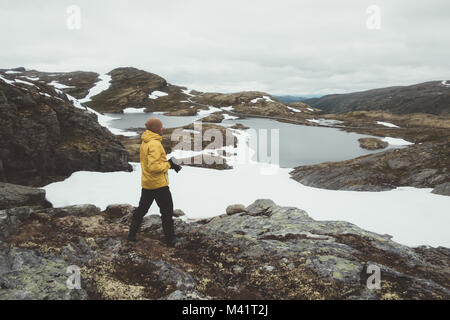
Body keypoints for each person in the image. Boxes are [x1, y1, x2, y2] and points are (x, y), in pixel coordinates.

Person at [128, 118, 182, 247]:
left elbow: (150, 164)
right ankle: (170, 241)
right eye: (160, 127)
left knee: (141, 210)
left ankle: (131, 235)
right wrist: (169, 164)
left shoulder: (145, 142)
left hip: (147, 183)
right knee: (167, 212)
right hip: (159, 185)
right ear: (155, 129)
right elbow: (154, 167)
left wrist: (167, 163)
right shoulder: (155, 144)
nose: (162, 129)